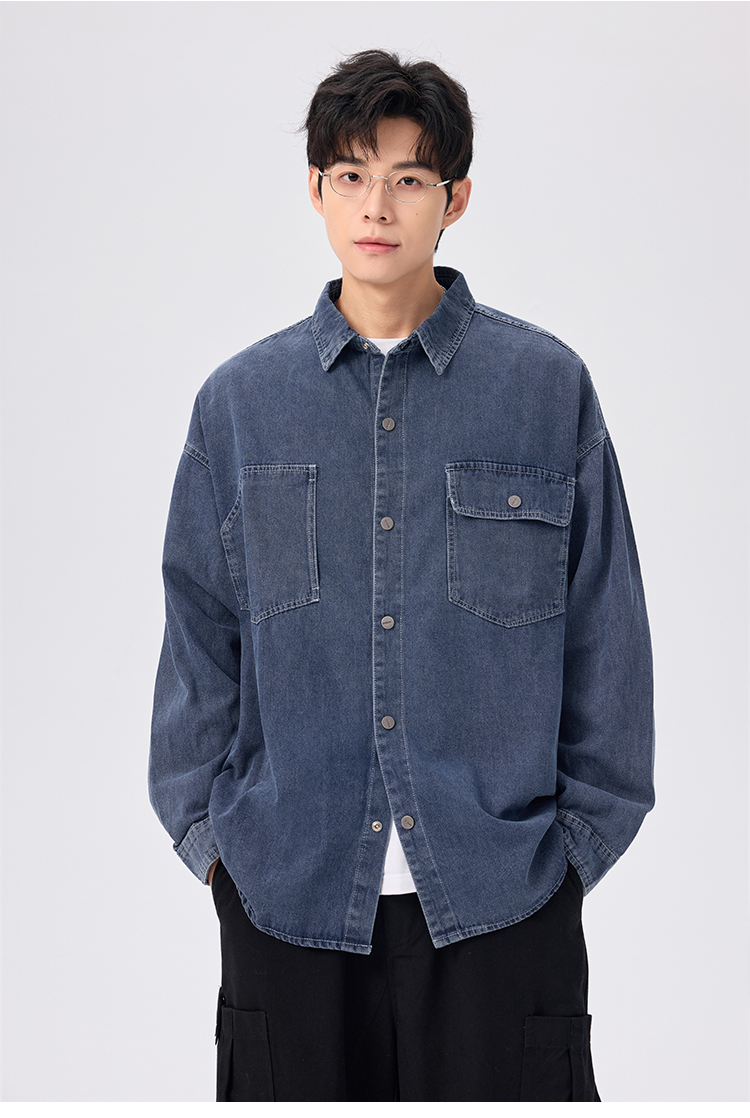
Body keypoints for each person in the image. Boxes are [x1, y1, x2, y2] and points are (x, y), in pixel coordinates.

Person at [149, 49, 655, 1102]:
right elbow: (199, 640)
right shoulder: (239, 407)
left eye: (408, 178)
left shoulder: (546, 389)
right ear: (316, 190)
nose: (376, 206)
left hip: (503, 908)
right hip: (284, 904)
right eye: (351, 175)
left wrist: (569, 858)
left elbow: (606, 632)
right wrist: (217, 852)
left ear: (454, 199)